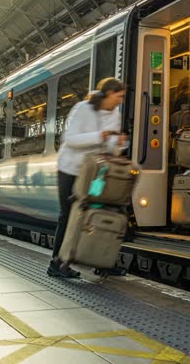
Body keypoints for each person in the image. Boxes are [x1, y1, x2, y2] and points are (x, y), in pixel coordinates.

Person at [49, 77, 127, 278]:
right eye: (119, 96)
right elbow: (71, 140)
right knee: (69, 216)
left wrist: (118, 143)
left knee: (103, 211)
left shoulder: (116, 114)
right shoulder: (82, 109)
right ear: (108, 94)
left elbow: (109, 148)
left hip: (95, 174)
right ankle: (57, 263)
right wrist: (100, 136)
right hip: (71, 171)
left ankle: (100, 260)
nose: (121, 100)